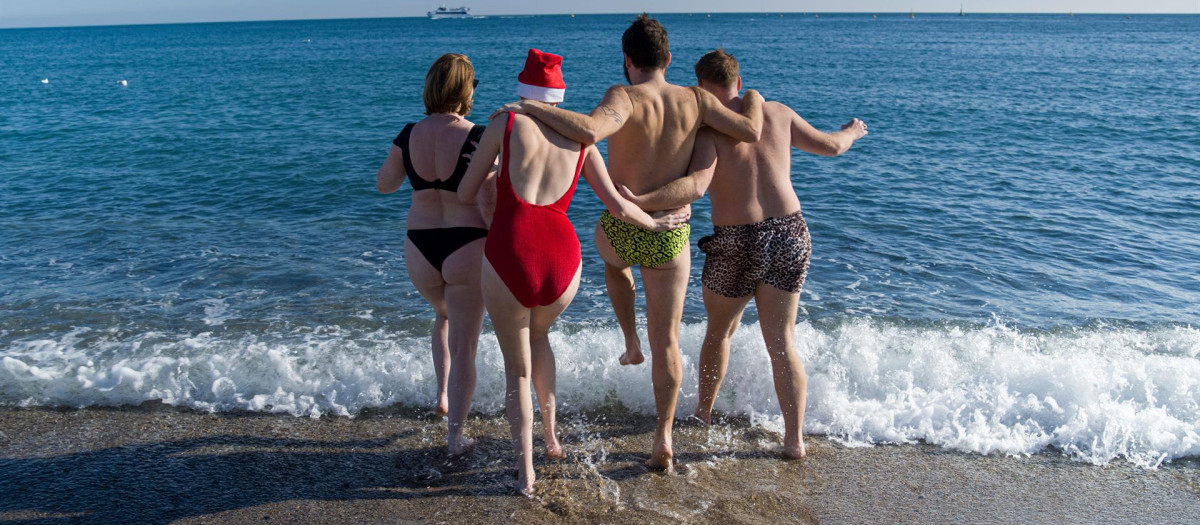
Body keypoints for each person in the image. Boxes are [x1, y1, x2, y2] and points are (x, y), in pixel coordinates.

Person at [491, 14, 763, 471]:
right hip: (668, 234)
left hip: (622, 229)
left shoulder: (624, 96)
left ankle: (629, 338)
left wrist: (531, 108)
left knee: (612, 260)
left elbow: (590, 131)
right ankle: (663, 437)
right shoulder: (696, 100)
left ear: (627, 61)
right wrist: (752, 96)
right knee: (670, 342)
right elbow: (751, 131)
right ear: (669, 59)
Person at [461, 48, 687, 495]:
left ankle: (526, 473)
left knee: (517, 370)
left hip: (513, 249)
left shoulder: (506, 122)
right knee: (540, 337)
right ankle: (552, 438)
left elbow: (468, 191)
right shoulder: (582, 141)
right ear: (559, 98)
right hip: (563, 260)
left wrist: (496, 168)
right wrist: (657, 222)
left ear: (523, 91)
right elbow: (619, 205)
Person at [622, 49, 868, 459]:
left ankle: (703, 413)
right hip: (790, 232)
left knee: (719, 333)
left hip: (736, 240)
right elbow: (832, 147)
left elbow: (697, 186)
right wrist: (853, 131)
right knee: (782, 341)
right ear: (739, 80)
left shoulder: (707, 130)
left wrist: (640, 201)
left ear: (701, 88)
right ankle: (794, 441)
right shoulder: (778, 113)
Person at [376, 53, 489, 456]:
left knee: (442, 315)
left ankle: (441, 395)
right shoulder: (479, 135)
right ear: (466, 89)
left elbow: (385, 185)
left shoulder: (408, 133)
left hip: (420, 247)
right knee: (465, 346)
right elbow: (490, 201)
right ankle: (457, 436)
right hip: (467, 244)